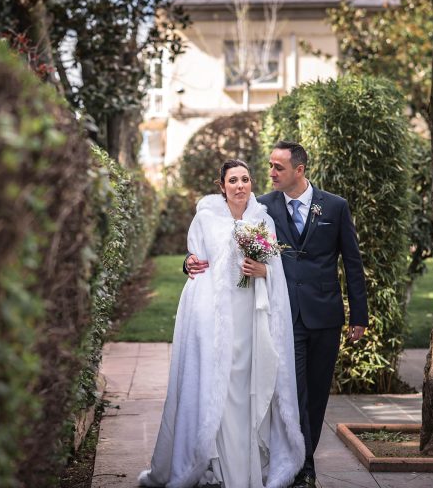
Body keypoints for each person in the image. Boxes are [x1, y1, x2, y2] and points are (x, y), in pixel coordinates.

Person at [186, 141, 368, 488]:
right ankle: (304, 469)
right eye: (269, 167)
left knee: (316, 394)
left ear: (299, 170)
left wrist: (358, 315)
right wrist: (188, 262)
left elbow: (353, 262)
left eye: (277, 168)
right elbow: (220, 234)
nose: (269, 173)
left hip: (324, 314)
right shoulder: (262, 207)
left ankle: (304, 457)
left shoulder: (335, 206)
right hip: (282, 314)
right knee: (294, 394)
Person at [140, 160, 304, 488]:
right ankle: (217, 463)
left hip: (251, 319)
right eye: (233, 180)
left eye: (245, 179)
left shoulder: (264, 220)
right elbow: (197, 261)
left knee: (246, 387)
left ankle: (247, 466)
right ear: (222, 185)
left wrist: (264, 272)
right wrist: (188, 262)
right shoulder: (205, 219)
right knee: (220, 386)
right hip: (214, 320)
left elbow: (276, 269)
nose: (240, 185)